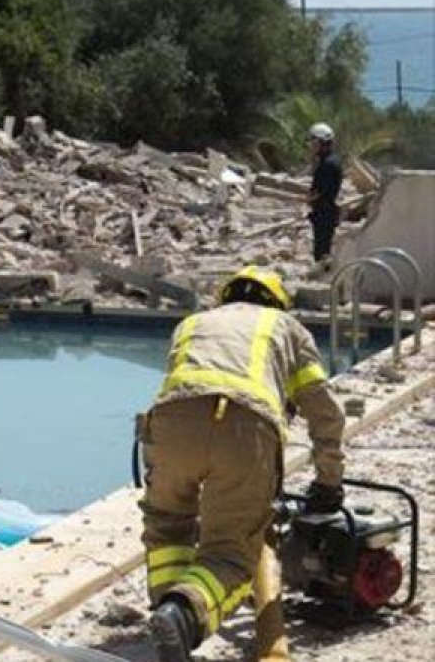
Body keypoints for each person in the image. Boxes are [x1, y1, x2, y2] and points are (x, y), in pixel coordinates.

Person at [139, 266, 346, 662]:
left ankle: (166, 616)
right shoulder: (286, 327)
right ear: (276, 302)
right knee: (231, 553)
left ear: (226, 297)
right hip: (243, 428)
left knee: (167, 527)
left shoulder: (193, 323)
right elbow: (324, 412)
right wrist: (328, 482)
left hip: (168, 427)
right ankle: (183, 613)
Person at [305, 123, 343, 271]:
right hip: (325, 212)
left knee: (322, 251)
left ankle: (322, 283)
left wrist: (308, 199)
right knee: (322, 249)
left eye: (313, 142)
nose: (311, 146)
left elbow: (319, 191)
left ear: (320, 142)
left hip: (324, 212)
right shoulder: (329, 161)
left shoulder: (327, 164)